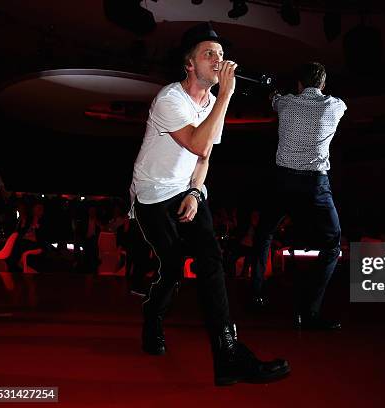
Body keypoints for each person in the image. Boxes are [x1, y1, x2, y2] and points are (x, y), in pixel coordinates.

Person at [129, 22, 289, 385]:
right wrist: (229, 95)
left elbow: (204, 159)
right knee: (171, 267)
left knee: (211, 259)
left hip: (186, 189)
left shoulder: (213, 101)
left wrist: (196, 192)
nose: (218, 60)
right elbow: (198, 143)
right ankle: (152, 317)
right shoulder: (170, 99)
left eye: (220, 55)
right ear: (189, 64)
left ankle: (227, 353)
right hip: (152, 194)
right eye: (209, 54)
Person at [250, 62, 346, 330]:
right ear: (323, 85)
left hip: (283, 182)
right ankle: (309, 311)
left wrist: (273, 91)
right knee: (332, 246)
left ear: (300, 84)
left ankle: (256, 293)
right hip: (315, 183)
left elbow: (273, 99)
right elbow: (341, 106)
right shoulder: (335, 106)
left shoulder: (286, 104)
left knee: (264, 235)